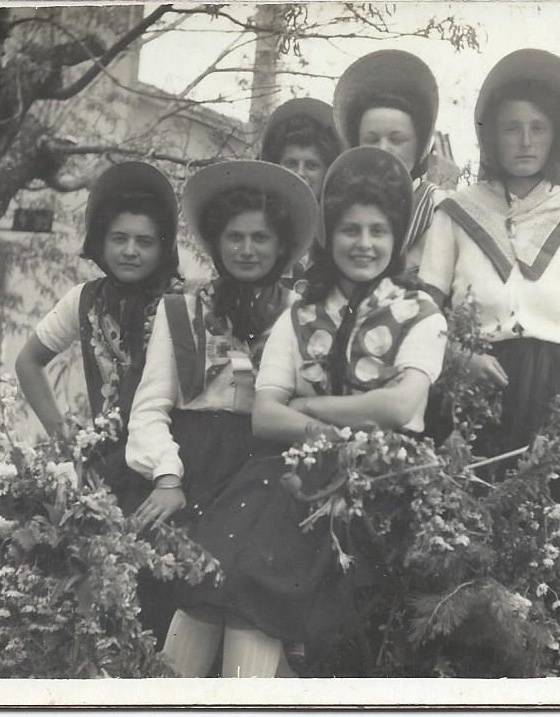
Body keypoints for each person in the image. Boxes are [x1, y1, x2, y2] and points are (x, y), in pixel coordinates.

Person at [160, 147, 446, 678]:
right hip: (284, 476)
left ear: (397, 237)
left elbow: (401, 404)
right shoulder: (302, 312)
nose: (363, 244)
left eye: (378, 231)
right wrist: (335, 427)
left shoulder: (420, 314)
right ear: (329, 235)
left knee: (250, 585)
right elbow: (265, 417)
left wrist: (309, 405)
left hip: (373, 482)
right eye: (350, 230)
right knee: (208, 580)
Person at [15, 161, 182, 642]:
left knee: (161, 596)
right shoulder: (83, 300)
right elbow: (29, 362)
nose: (130, 251)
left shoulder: (184, 303)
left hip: (169, 469)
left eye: (144, 241)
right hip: (104, 472)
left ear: (163, 246)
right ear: (100, 242)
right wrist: (66, 439)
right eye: (119, 238)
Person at [419, 49, 560, 471]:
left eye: (538, 128)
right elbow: (426, 312)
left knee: (545, 512)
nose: (525, 141)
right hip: (476, 379)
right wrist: (457, 358)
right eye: (511, 128)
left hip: (555, 385)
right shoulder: (456, 212)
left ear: (555, 137)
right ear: (491, 137)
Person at [125, 159, 318, 534]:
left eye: (260, 238)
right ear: (217, 242)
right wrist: (166, 477)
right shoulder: (183, 308)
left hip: (268, 465)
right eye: (234, 237)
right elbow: (150, 406)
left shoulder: (301, 315)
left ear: (281, 246)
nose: (246, 250)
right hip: (189, 463)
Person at [332, 49, 449, 278]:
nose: (384, 149)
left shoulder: (439, 208)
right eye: (372, 139)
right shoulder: (337, 204)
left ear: (418, 146)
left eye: (397, 139)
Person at [258, 97, 341, 288]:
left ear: (327, 172)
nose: (300, 173)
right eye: (291, 163)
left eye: (312, 165)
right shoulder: (257, 220)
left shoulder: (337, 228)